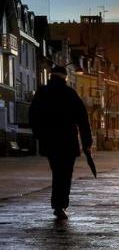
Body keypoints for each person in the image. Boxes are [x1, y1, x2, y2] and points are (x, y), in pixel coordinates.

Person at [29, 64, 93, 221]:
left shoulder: (42, 93)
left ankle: (58, 205)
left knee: (57, 171)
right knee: (65, 174)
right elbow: (82, 119)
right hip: (68, 141)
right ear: (64, 77)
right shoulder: (70, 94)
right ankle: (60, 205)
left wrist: (39, 135)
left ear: (51, 76)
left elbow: (33, 115)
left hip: (50, 141)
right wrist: (87, 142)